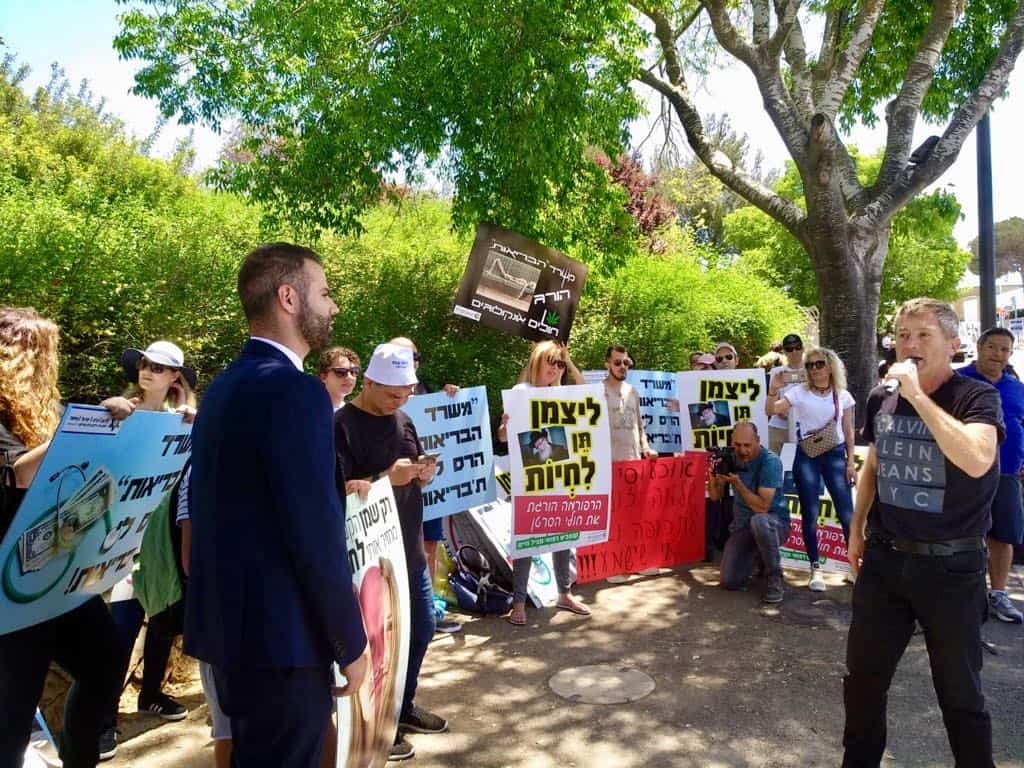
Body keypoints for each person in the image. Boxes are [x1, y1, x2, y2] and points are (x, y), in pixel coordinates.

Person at [186, 243, 367, 768]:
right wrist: (350, 642)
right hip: (283, 645)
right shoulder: (295, 392)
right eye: (325, 292)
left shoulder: (222, 388)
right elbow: (313, 532)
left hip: (235, 640)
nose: (333, 306)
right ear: (289, 297)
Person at [844, 297, 1003, 767]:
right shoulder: (880, 396)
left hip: (952, 567)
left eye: (923, 336)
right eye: (903, 335)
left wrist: (917, 396)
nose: (909, 345)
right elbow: (876, 458)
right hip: (887, 561)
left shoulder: (976, 397)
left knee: (959, 692)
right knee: (863, 682)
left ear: (952, 345)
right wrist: (856, 529)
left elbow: (977, 459)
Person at [0, 306, 122, 768]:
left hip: (55, 568)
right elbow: (19, 473)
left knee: (105, 658)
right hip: (11, 586)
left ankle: (80, 758)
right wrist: (79, 433)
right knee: (12, 714)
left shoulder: (39, 411)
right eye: (42, 354)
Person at [335, 342, 446, 762]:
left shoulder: (404, 420)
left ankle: (401, 707)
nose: (399, 402)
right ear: (369, 383)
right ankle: (376, 727)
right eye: (391, 395)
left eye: (406, 395)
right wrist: (384, 477)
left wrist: (422, 474)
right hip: (366, 561)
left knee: (421, 630)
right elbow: (336, 491)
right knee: (375, 646)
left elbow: (413, 474)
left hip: (409, 552)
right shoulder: (340, 426)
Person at [98, 341, 198, 760]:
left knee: (162, 620)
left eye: (160, 367)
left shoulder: (187, 421)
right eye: (145, 364)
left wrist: (197, 419)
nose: (148, 371)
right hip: (120, 535)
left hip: (165, 536)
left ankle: (151, 694)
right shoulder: (119, 411)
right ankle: (101, 721)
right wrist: (116, 415)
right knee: (119, 631)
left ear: (175, 376)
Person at [498, 340, 590, 626]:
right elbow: (503, 437)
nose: (555, 368)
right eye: (551, 361)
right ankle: (519, 602)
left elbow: (588, 393)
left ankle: (564, 593)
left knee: (564, 537)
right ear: (537, 360)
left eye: (559, 363)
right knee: (526, 540)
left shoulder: (560, 393)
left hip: (560, 478)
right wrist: (504, 426)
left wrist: (568, 363)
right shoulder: (520, 393)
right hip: (530, 480)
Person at [388, 336, 462, 635]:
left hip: (429, 490)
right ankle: (400, 618)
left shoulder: (426, 390)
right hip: (397, 494)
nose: (411, 361)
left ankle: (428, 611)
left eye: (415, 356)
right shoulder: (383, 396)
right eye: (403, 356)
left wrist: (450, 397)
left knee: (430, 546)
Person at [767, 345, 855, 592]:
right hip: (807, 456)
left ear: (830, 366)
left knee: (847, 514)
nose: (815, 369)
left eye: (819, 364)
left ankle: (853, 567)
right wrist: (773, 390)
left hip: (835, 455)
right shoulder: (799, 392)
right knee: (810, 514)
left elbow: (848, 430)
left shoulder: (842, 395)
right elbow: (771, 410)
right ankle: (815, 568)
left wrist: (850, 463)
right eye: (810, 365)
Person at [958, 327, 1024, 624]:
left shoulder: (1015, 387)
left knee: (1003, 535)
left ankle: (998, 594)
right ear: (980, 346)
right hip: (964, 471)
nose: (998, 355)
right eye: (992, 347)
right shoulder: (958, 380)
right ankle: (960, 596)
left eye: (1004, 350)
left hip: (1007, 471)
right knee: (963, 533)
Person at [709, 422, 789, 603]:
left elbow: (763, 507)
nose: (742, 450)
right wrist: (713, 477)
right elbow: (715, 496)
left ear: (758, 441)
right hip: (743, 528)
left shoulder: (770, 461)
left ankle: (775, 577)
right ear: (731, 442)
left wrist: (738, 484)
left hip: (774, 524)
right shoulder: (729, 458)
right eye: (737, 445)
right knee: (729, 581)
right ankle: (758, 557)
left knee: (759, 521)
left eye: (747, 445)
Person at [765, 334, 806, 454]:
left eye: (797, 347)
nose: (794, 351)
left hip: (805, 428)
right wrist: (783, 411)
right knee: (776, 464)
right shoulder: (776, 372)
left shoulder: (812, 371)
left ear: (803, 348)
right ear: (784, 352)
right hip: (778, 427)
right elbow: (772, 398)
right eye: (789, 349)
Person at [318, 346, 361, 412]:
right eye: (340, 372)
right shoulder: (307, 409)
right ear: (323, 377)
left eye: (354, 371)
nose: (349, 377)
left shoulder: (354, 415)